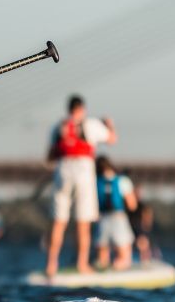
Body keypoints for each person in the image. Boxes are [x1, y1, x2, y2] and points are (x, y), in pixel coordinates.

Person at [45, 95, 117, 277]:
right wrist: (109, 125)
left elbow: (50, 157)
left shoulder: (58, 127)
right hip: (83, 171)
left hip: (62, 170)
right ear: (82, 109)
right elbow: (112, 139)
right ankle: (82, 264)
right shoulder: (91, 124)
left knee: (58, 222)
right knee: (82, 223)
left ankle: (51, 264)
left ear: (68, 109)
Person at [94, 156, 137, 270]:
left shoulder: (95, 181)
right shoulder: (122, 180)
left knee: (102, 257)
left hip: (101, 219)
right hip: (119, 218)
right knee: (124, 258)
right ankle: (118, 266)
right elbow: (132, 205)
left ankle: (102, 269)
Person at [128, 183, 154, 262]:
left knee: (142, 244)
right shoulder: (130, 204)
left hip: (139, 228)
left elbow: (147, 216)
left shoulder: (142, 205)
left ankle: (145, 260)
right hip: (131, 227)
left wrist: (146, 226)